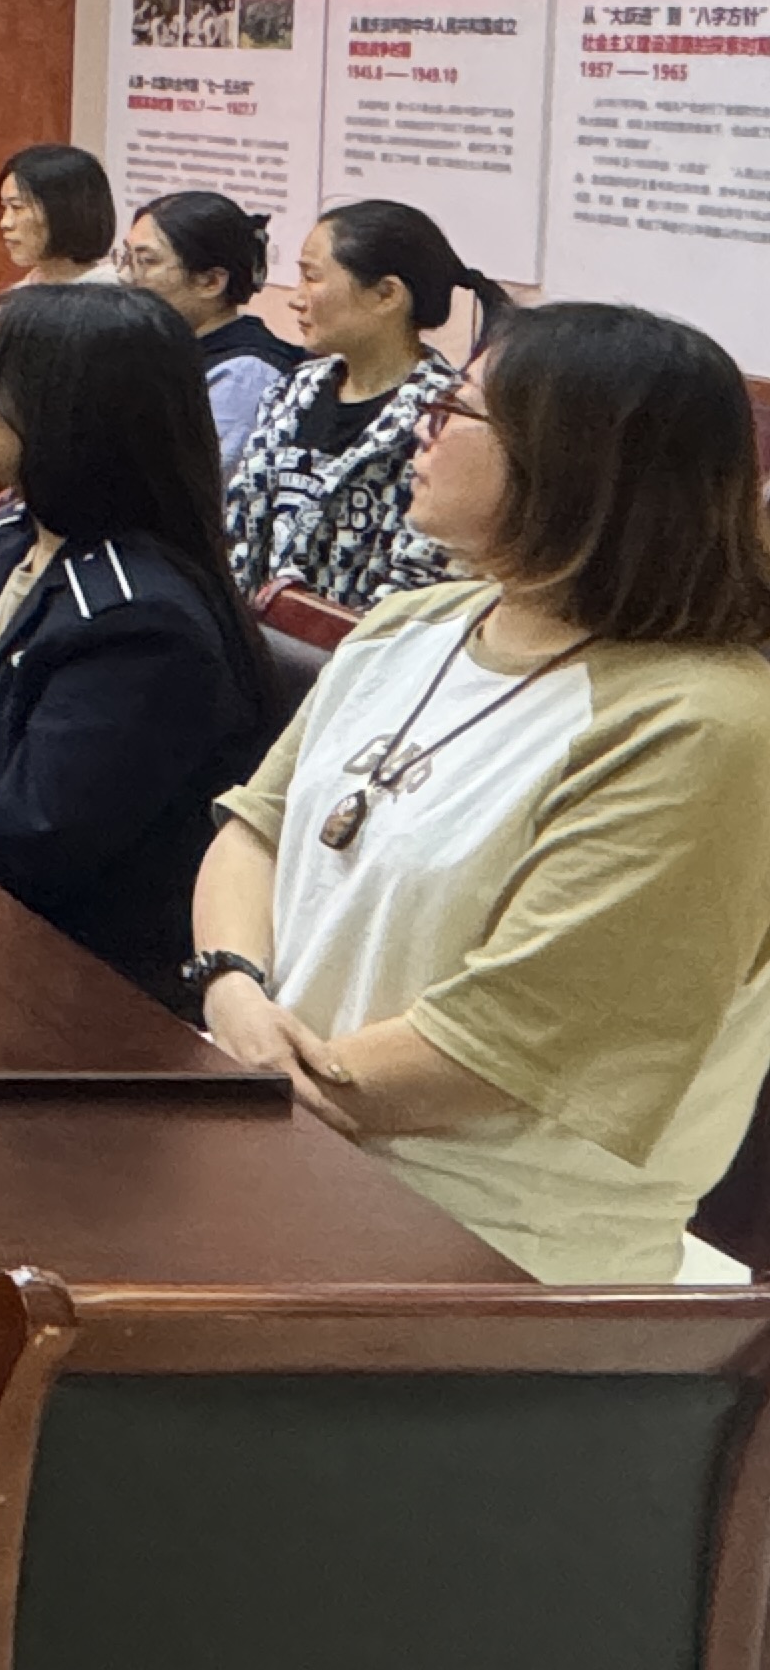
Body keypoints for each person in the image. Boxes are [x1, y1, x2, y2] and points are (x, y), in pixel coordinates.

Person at [190, 300, 770, 1282]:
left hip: (486, 1248)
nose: (422, 426)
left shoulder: (705, 724)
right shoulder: (411, 624)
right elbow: (257, 829)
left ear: (572, 463)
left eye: (456, 407)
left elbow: (506, 1042)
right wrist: (232, 988)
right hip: (284, 1150)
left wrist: (258, 1079)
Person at [0, 284, 270, 993]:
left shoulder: (139, 624)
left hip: (67, 977)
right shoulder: (10, 537)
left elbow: (32, 840)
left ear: (65, 416)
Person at [222, 197, 502, 607]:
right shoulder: (292, 389)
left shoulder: (441, 419)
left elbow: (421, 576)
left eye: (312, 278)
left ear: (387, 294)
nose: (296, 299)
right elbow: (241, 531)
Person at [0, 142, 116, 459]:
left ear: (62, 210)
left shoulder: (110, 306)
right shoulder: (20, 295)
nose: (5, 223)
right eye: (4, 208)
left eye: (18, 208)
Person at [117, 188, 304, 466]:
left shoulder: (244, 374)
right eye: (127, 257)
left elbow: (205, 478)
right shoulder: (166, 342)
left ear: (210, 282)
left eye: (146, 261)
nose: (124, 276)